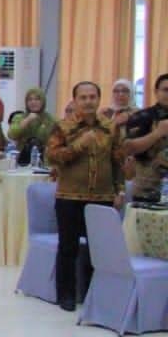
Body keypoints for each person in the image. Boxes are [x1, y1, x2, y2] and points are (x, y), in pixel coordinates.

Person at [45, 81, 126, 311]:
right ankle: (67, 295)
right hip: (70, 196)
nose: (88, 101)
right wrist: (78, 146)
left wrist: (119, 189)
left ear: (99, 99)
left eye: (93, 97)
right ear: (75, 100)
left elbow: (117, 160)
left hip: (102, 197)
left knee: (98, 248)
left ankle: (94, 294)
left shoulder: (110, 128)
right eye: (83, 97)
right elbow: (51, 156)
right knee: (68, 247)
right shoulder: (63, 127)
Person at [122, 74, 168, 204]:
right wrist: (157, 133)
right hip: (147, 190)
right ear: (156, 92)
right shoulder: (142, 117)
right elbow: (128, 148)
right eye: (166, 90)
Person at [7, 88, 56, 167]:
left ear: (43, 101)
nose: (33, 102)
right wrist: (27, 120)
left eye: (37, 99)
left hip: (44, 161)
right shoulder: (19, 117)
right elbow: (12, 135)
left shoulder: (51, 120)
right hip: (22, 160)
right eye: (30, 100)